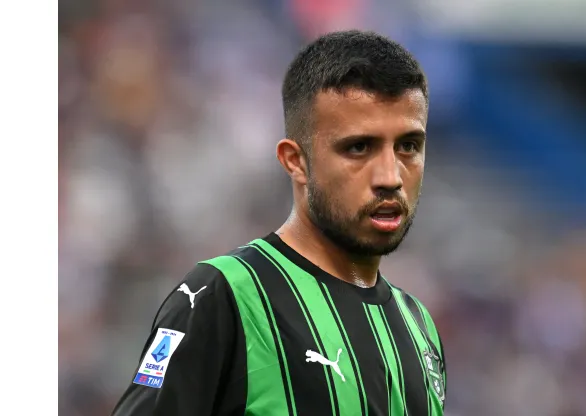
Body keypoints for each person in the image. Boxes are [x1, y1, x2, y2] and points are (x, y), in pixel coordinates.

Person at [111, 29, 446, 416]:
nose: (390, 175)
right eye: (358, 147)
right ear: (295, 161)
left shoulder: (418, 327)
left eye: (408, 146)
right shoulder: (224, 297)